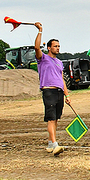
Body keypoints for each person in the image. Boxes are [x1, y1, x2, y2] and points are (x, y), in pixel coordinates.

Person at [34, 22, 70, 156]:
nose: (58, 48)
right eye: (55, 46)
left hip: (59, 92)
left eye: (59, 46)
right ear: (49, 48)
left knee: (55, 119)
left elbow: (62, 80)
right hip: (49, 91)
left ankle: (50, 143)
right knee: (50, 118)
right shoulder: (43, 58)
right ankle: (55, 144)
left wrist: (67, 95)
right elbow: (36, 47)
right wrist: (40, 31)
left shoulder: (59, 62)